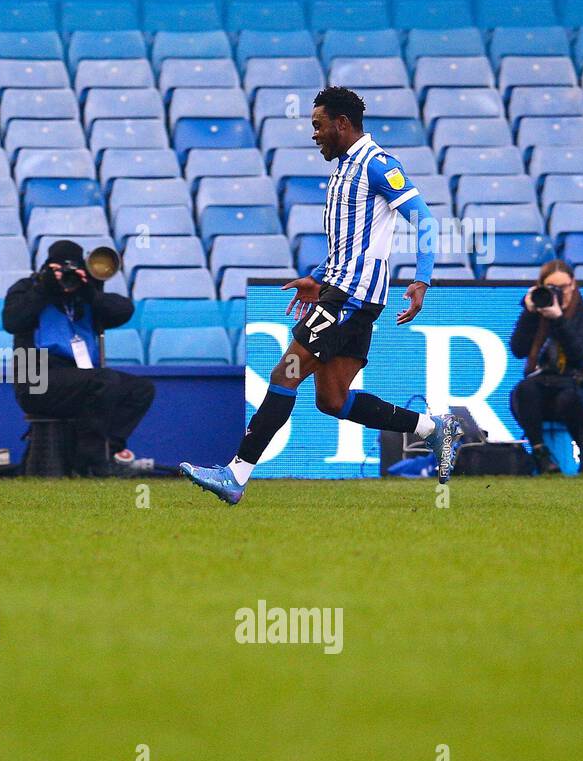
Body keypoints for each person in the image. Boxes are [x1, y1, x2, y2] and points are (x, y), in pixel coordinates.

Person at [180, 86, 463, 505]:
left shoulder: (378, 165)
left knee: (284, 375)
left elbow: (423, 219)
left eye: (318, 125)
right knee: (332, 399)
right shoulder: (343, 170)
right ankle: (432, 428)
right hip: (343, 294)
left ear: (341, 124)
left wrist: (421, 279)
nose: (314, 134)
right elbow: (347, 245)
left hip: (349, 299)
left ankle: (235, 474)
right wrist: (316, 277)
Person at [2, 239, 155, 475]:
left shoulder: (86, 294)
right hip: (37, 380)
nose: (66, 277)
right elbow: (12, 321)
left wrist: (89, 292)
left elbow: (123, 310)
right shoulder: (28, 288)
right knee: (104, 380)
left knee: (141, 389)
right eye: (60, 271)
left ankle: (108, 450)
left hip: (82, 378)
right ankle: (90, 462)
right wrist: (45, 289)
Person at [508, 259, 583, 474]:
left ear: (574, 284)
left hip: (572, 385)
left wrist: (558, 319)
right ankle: (540, 454)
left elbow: (580, 355)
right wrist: (530, 313)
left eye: (564, 287)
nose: (559, 293)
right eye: (552, 288)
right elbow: (518, 350)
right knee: (524, 390)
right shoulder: (536, 314)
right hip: (539, 387)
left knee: (567, 398)